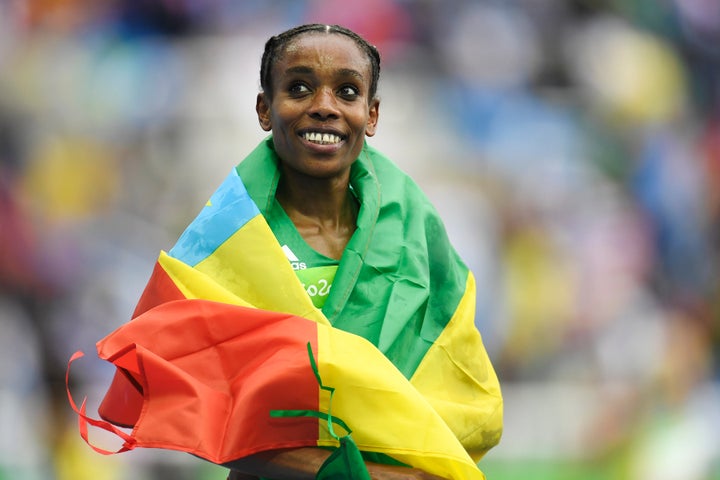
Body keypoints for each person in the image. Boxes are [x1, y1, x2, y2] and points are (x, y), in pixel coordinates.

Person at [80, 23, 502, 480]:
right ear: (264, 108)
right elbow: (191, 407)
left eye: (347, 91)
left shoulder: (418, 238)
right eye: (299, 88)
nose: (324, 107)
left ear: (372, 114)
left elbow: (461, 397)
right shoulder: (221, 243)